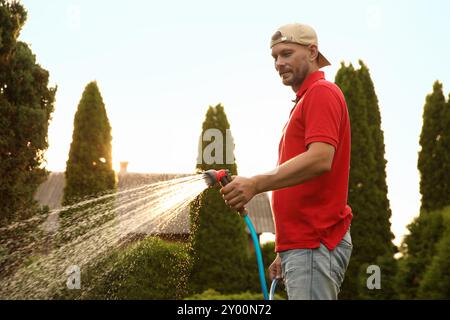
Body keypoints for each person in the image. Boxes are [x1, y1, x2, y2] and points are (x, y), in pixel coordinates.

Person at [220, 23, 353, 300]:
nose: (279, 63)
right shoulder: (304, 102)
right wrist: (284, 248)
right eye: (275, 57)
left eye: (287, 53)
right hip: (303, 246)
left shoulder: (322, 93)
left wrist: (256, 183)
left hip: (315, 243)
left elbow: (320, 159)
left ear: (313, 52)